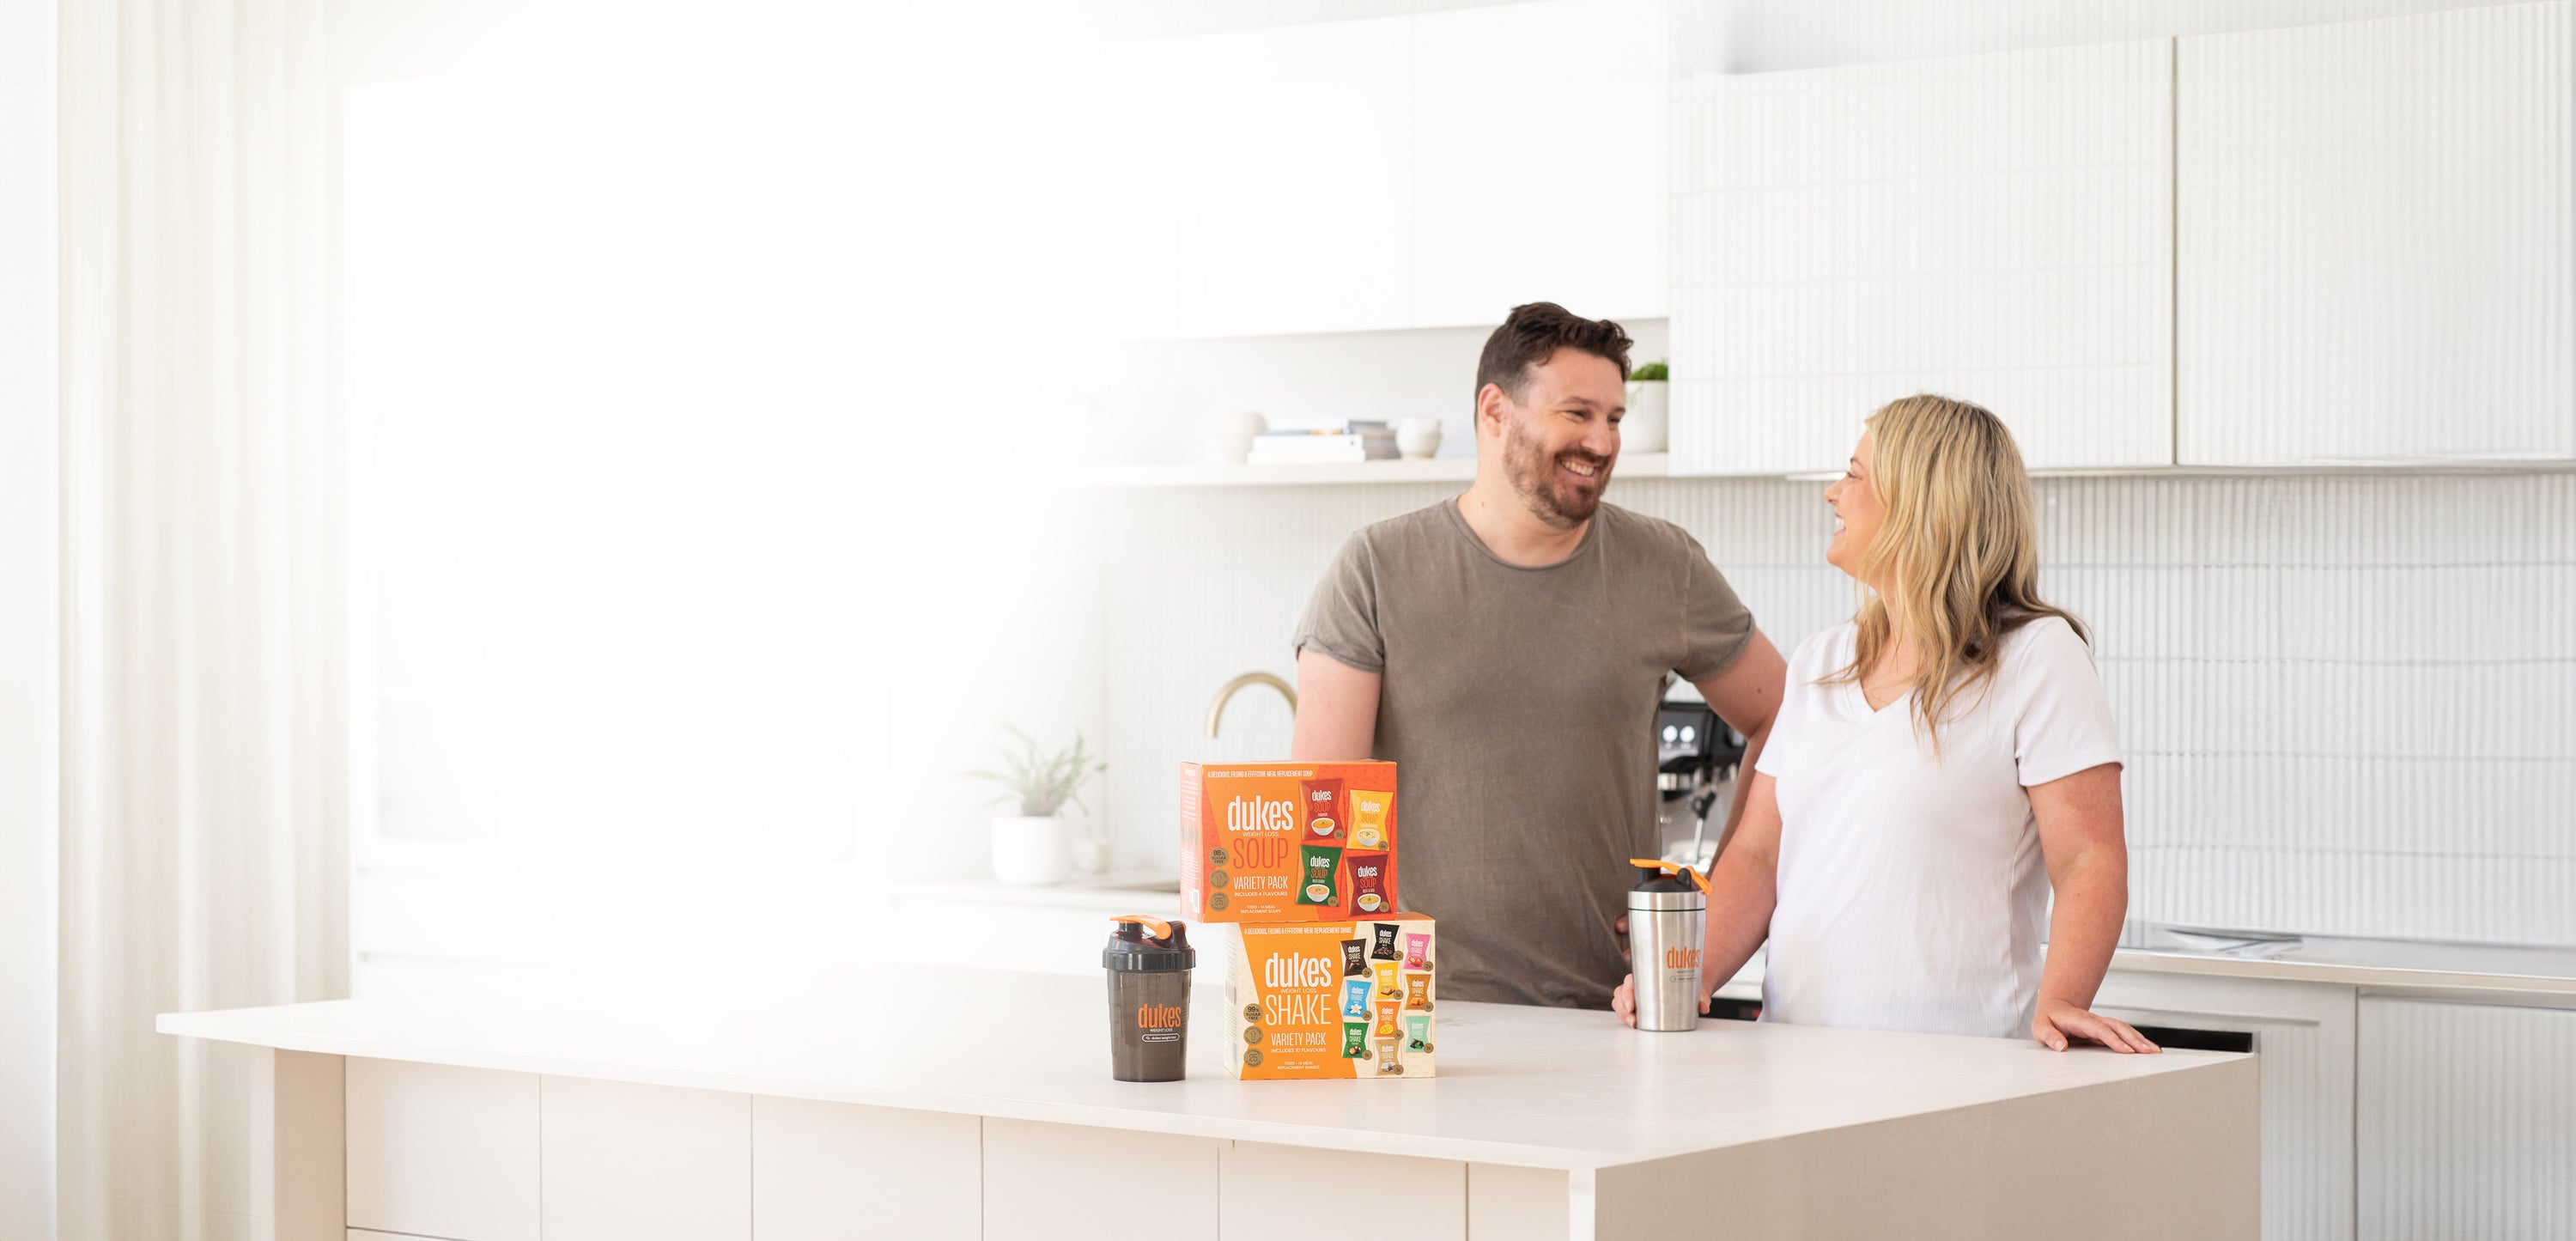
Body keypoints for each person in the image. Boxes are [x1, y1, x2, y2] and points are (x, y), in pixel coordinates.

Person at [1613, 394, 2157, 1052]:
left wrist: (2063, 999)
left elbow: (2089, 857)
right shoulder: (1821, 660)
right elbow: (1758, 853)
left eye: (1853, 473)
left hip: (1961, 1070)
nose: (1832, 493)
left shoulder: (2038, 657)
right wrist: (1689, 971)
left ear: (1919, 502)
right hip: (1793, 1066)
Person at [1291, 301, 1789, 1008]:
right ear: (1496, 411)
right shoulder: (1377, 567)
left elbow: (1785, 718)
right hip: (1425, 1014)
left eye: (1614, 418)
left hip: (1612, 1010)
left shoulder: (1663, 565)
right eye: (1578, 413)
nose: (1602, 440)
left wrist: (1711, 892)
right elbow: (1323, 812)